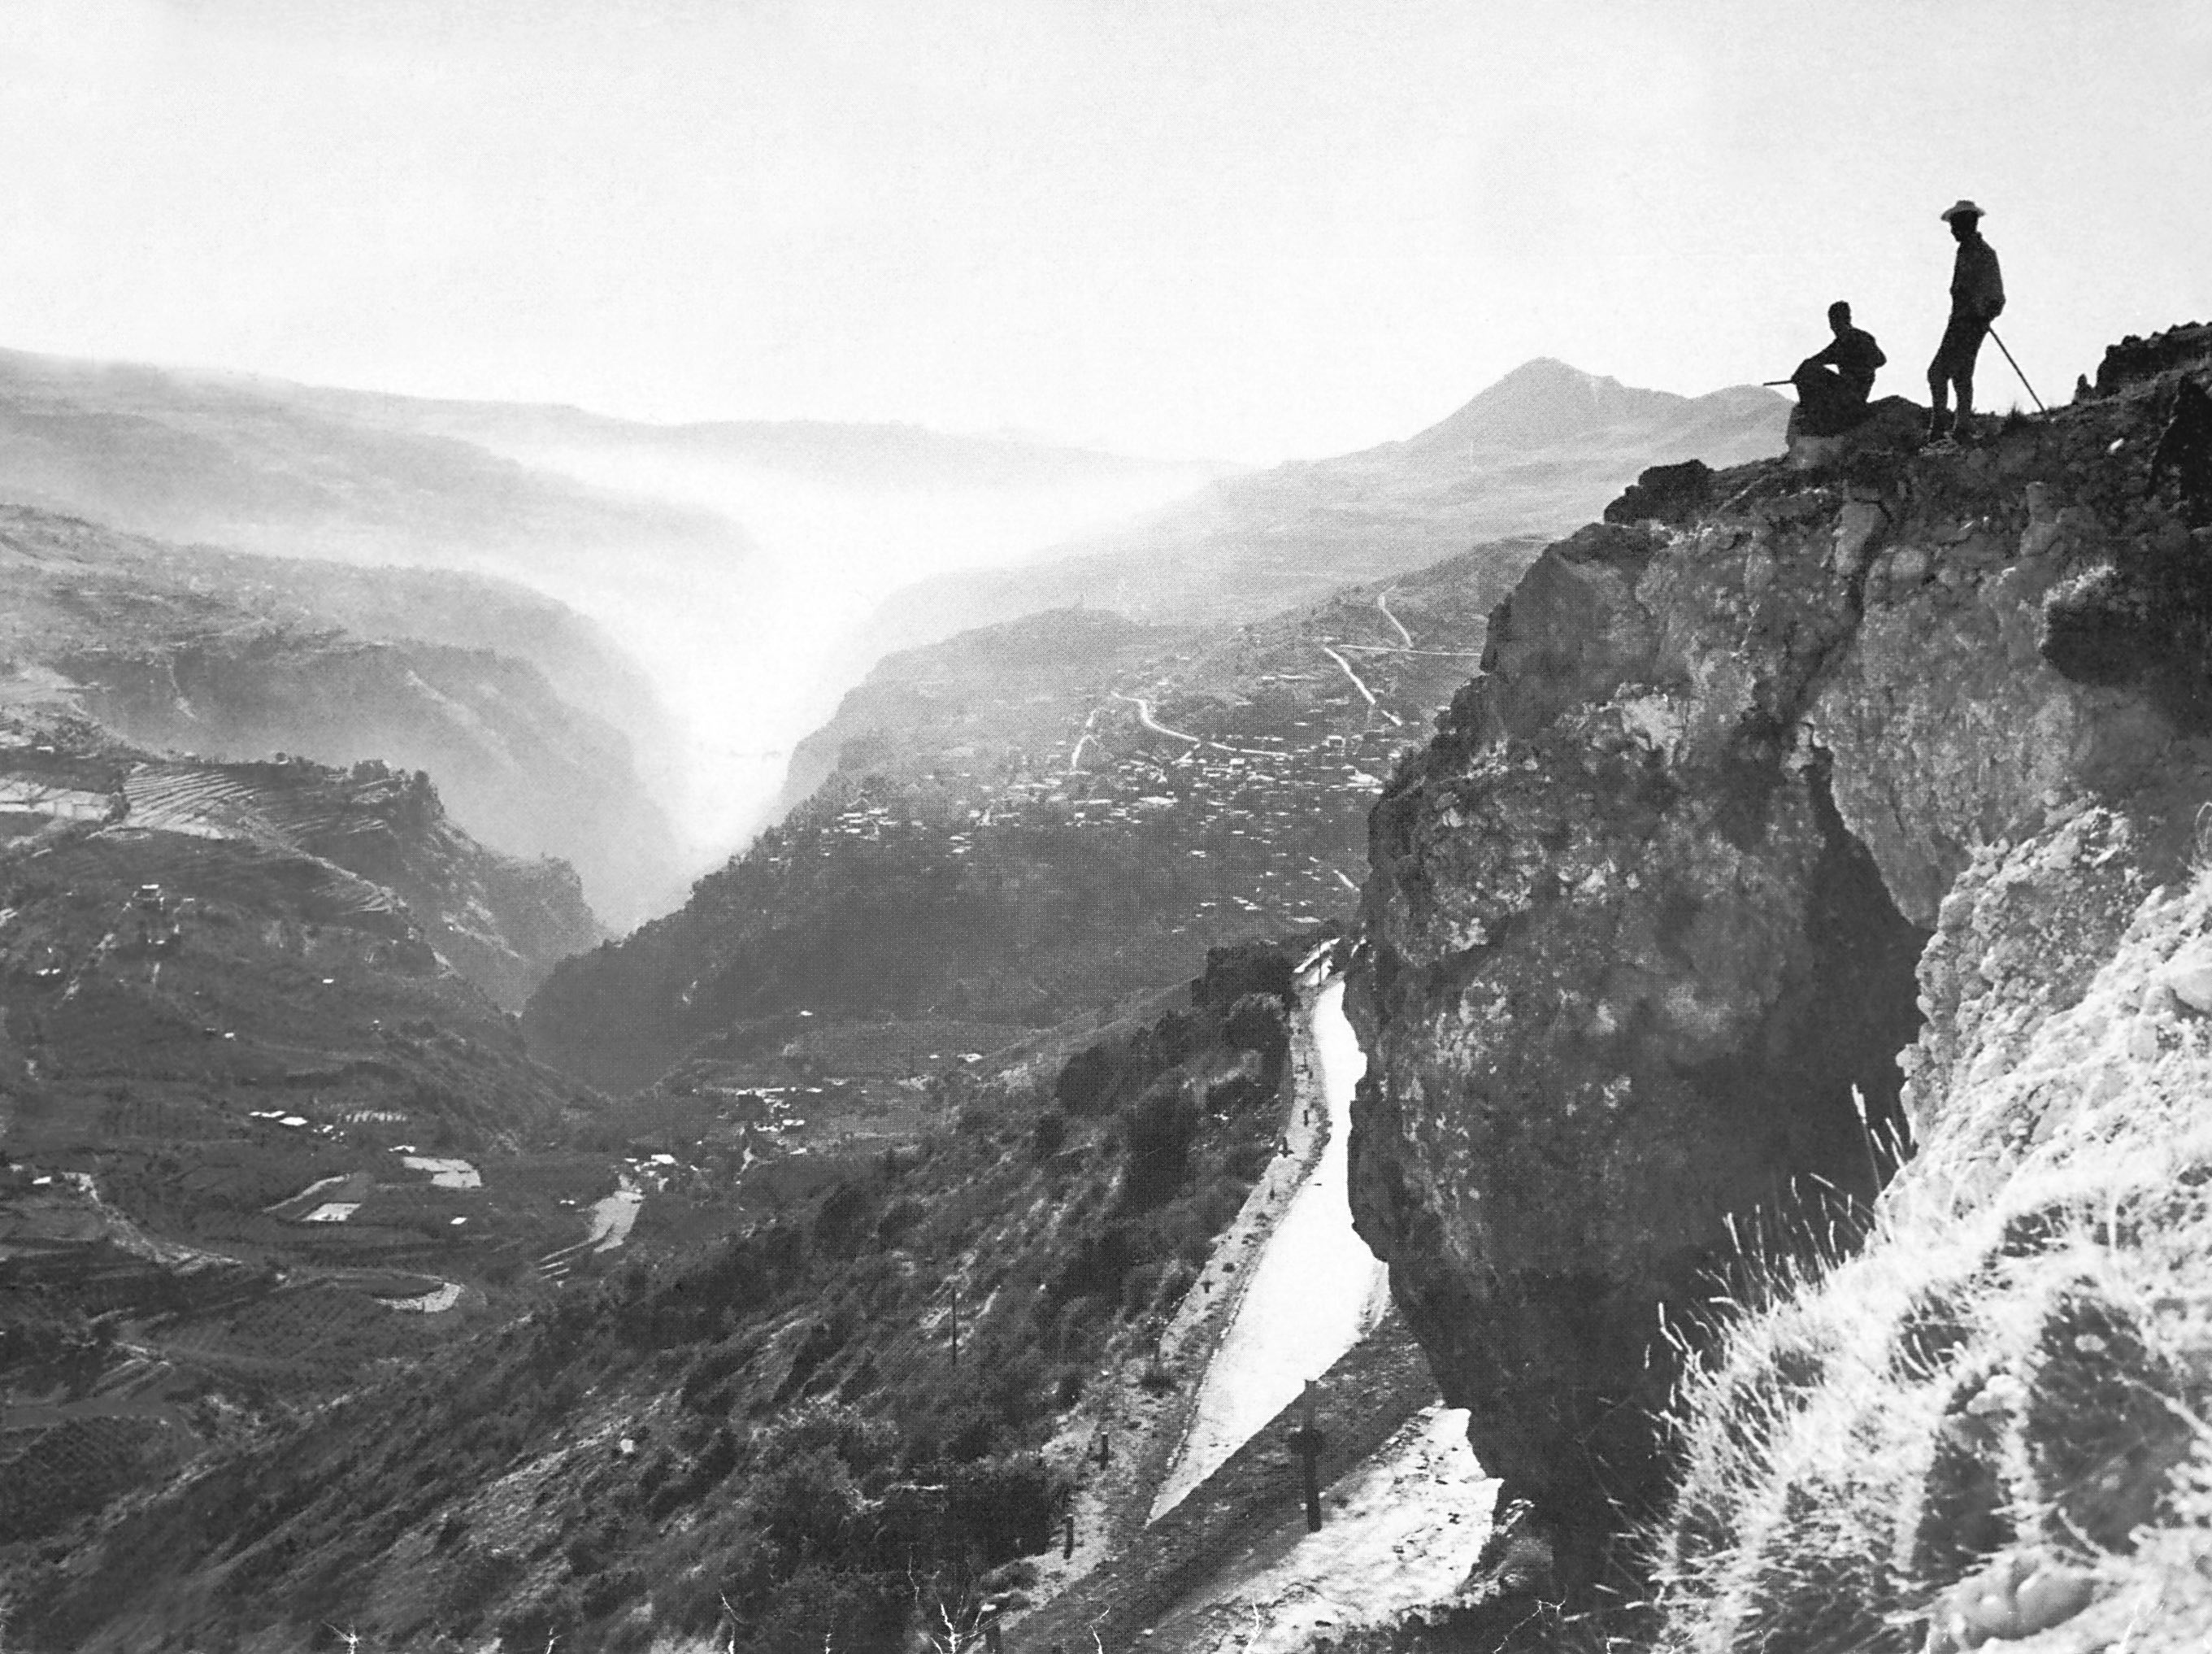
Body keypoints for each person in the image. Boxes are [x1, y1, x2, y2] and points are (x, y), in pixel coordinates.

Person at [1927, 200, 2005, 440]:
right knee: (1961, 374)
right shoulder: (1966, 252)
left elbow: (1997, 297)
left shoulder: (1983, 254)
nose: (1952, 230)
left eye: (1955, 225)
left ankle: (1941, 428)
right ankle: (1961, 427)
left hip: (1969, 322)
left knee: (1938, 373)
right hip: (1960, 321)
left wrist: (1982, 313)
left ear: (1966, 224)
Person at [1791, 301, 1887, 436]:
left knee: (1809, 370)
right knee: (1808, 368)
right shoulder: (1843, 341)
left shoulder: (1855, 338)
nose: (1832, 326)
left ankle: (1811, 414)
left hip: (1853, 393)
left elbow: (1880, 360)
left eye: (1835, 320)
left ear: (1844, 320)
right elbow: (1818, 359)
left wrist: (1858, 367)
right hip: (1850, 391)